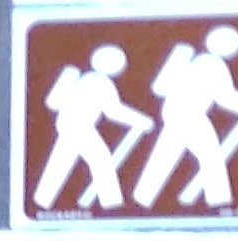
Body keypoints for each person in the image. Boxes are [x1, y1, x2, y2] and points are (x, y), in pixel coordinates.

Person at [135, 22, 238, 210]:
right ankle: (220, 205)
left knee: (166, 155)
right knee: (211, 157)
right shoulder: (212, 65)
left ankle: (141, 200)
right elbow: (224, 97)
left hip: (175, 114)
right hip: (190, 116)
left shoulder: (194, 60)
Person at [32, 42, 151, 211]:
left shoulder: (85, 78)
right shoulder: (101, 83)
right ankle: (112, 205)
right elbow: (113, 111)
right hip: (80, 127)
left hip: (68, 124)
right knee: (101, 161)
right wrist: (140, 120)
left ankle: (42, 201)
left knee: (62, 161)